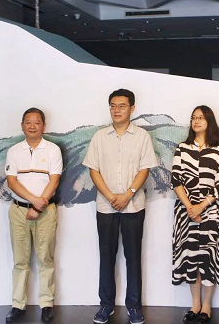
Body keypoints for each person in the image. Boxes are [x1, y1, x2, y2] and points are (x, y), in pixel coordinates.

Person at [83, 88, 158, 324]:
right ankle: (106, 305)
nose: (117, 110)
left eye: (122, 106)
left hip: (133, 206)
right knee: (106, 257)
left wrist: (127, 195)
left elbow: (144, 169)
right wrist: (110, 196)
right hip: (105, 207)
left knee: (133, 257)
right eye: (113, 106)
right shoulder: (99, 137)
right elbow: (93, 169)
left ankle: (134, 306)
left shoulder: (142, 136)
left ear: (132, 108)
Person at [171, 106, 219, 323]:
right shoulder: (182, 148)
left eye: (201, 118)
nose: (196, 121)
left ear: (209, 121)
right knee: (190, 257)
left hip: (211, 211)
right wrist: (190, 207)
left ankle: (207, 306)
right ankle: (194, 304)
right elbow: (176, 180)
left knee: (209, 257)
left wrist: (201, 206)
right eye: (193, 118)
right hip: (185, 211)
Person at [4, 108, 63, 323]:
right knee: (20, 260)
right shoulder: (14, 151)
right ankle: (18, 304)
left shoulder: (53, 150)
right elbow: (12, 182)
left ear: (43, 126)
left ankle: (46, 304)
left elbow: (54, 181)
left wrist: (38, 207)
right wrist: (33, 201)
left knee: (45, 258)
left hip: (46, 211)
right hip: (19, 211)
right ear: (22, 125)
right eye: (28, 122)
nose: (32, 126)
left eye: (37, 122)